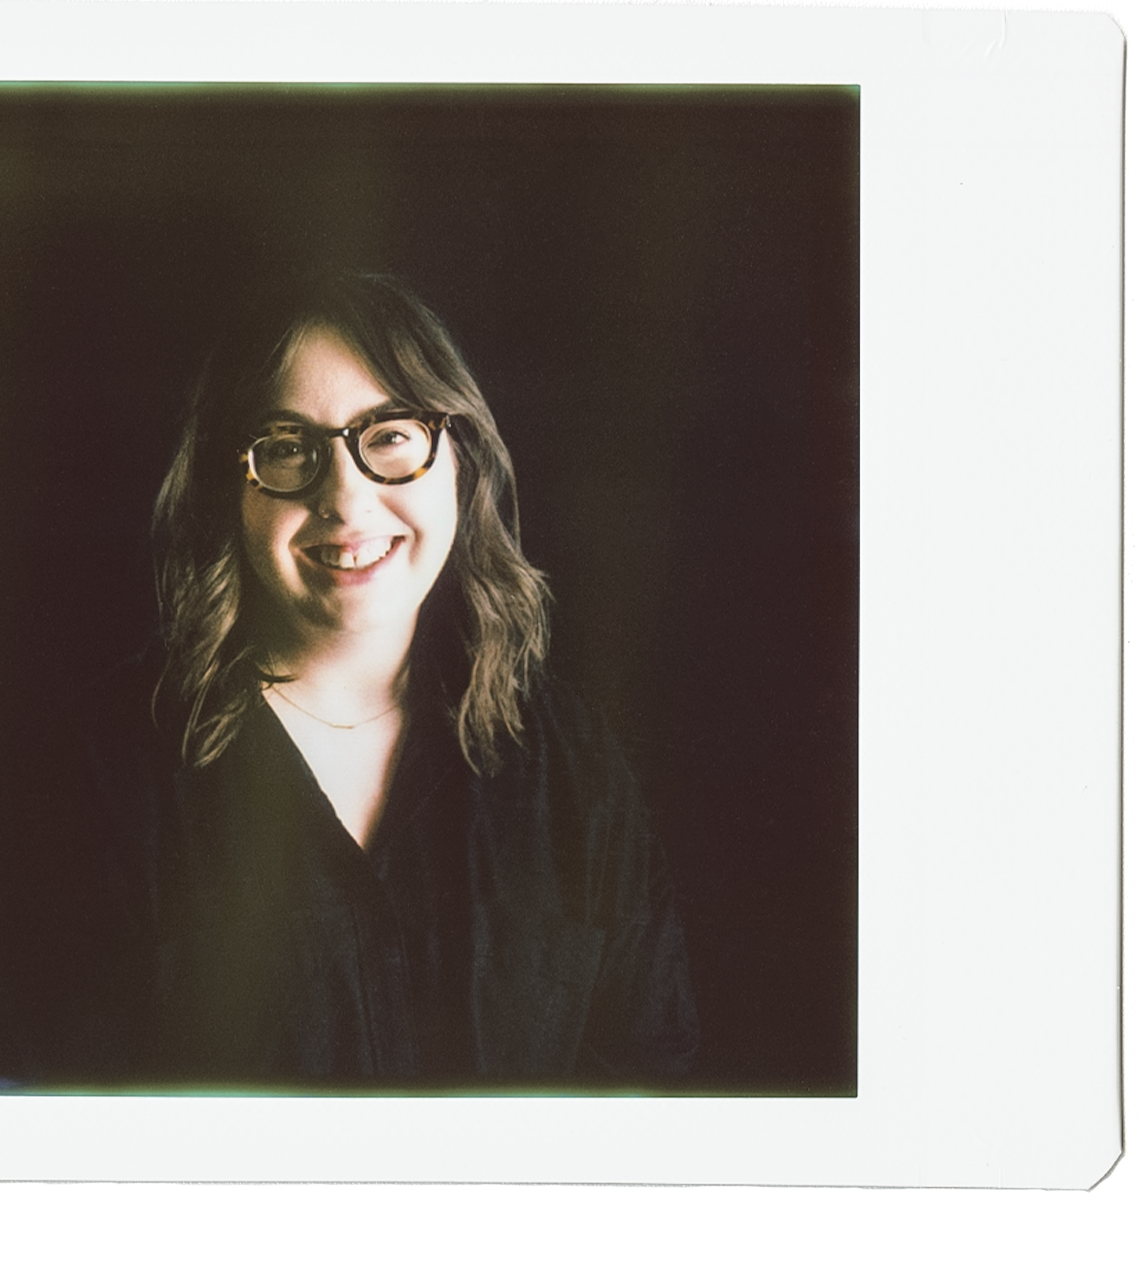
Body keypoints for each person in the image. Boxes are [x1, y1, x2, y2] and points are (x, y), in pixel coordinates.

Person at [57, 271, 698, 1087]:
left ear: (460, 462)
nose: (347, 501)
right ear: (230, 489)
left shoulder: (576, 776)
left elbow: (651, 1101)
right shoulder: (97, 778)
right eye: (286, 448)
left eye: (390, 434)